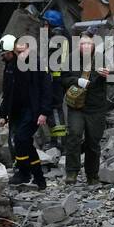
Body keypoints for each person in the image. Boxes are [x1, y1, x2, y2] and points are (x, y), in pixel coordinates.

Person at [0, 34, 52, 190]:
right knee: (24, 142)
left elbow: (46, 89)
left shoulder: (37, 64)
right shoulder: (10, 66)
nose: (5, 57)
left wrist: (44, 112)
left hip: (32, 110)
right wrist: (3, 114)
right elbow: (7, 92)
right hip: (16, 111)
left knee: (21, 139)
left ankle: (24, 172)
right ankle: (39, 179)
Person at [60, 34, 111, 184]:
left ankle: (92, 175)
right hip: (77, 106)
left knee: (93, 142)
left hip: (96, 107)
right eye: (83, 44)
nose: (86, 47)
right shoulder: (71, 59)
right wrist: (77, 81)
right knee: (74, 136)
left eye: (89, 44)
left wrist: (105, 75)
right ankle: (72, 172)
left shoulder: (101, 58)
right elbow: (62, 79)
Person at [42, 9, 69, 150]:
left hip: (56, 81)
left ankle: (59, 142)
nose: (44, 27)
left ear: (52, 24)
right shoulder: (59, 37)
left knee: (55, 108)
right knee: (53, 109)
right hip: (55, 79)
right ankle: (56, 140)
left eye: (46, 24)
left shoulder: (56, 40)